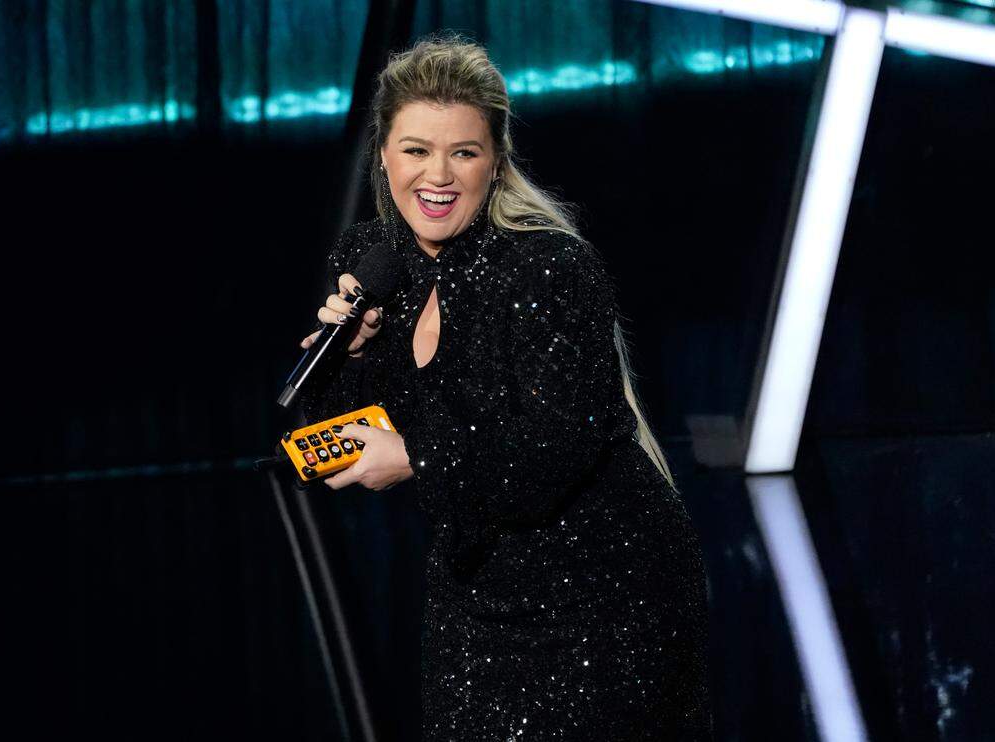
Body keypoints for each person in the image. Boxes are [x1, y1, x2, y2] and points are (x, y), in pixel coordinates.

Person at [298, 34, 711, 741]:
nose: (439, 175)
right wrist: (354, 356)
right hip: (477, 587)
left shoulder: (547, 267)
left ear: (496, 161)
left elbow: (554, 448)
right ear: (384, 155)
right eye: (416, 149)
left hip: (606, 595)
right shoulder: (372, 263)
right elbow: (329, 443)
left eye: (464, 151)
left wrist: (415, 459)